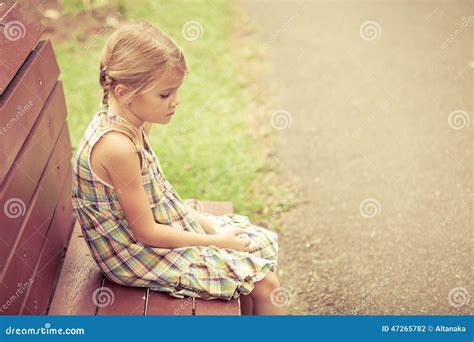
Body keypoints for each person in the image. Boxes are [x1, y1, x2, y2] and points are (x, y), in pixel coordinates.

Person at [72, 20, 285, 315]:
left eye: (175, 92)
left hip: (154, 233)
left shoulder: (131, 121)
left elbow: (157, 196)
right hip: (134, 255)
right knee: (267, 285)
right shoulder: (116, 147)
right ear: (124, 92)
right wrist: (214, 241)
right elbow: (146, 232)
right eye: (165, 95)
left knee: (254, 246)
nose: (176, 102)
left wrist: (206, 224)